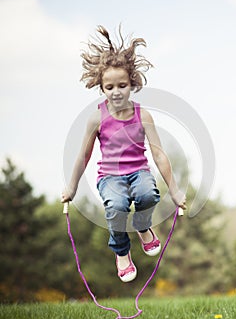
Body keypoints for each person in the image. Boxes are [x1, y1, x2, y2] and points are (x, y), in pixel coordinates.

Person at [61, 25, 186, 282]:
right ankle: (121, 252)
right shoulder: (96, 118)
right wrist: (71, 187)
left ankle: (142, 226)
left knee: (148, 194)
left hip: (139, 172)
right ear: (102, 88)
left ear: (132, 84)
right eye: (109, 87)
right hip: (110, 178)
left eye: (122, 85)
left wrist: (174, 190)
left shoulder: (144, 116)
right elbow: (84, 156)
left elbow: (159, 155)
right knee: (116, 207)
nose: (116, 91)